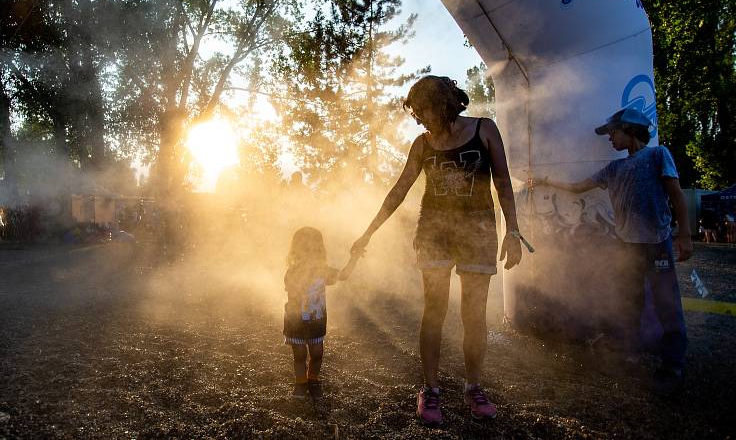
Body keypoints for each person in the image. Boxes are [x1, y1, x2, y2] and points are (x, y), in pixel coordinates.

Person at [350, 75, 523, 425]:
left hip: (478, 230)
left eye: (423, 110)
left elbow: (503, 182)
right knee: (434, 311)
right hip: (433, 232)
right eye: (415, 114)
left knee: (473, 315)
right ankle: (430, 390)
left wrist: (514, 231)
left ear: (442, 102)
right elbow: (399, 190)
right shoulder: (422, 144)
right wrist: (367, 233)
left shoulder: (484, 129)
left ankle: (473, 387)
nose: (419, 119)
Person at [534, 107, 692, 393]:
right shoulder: (614, 169)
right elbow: (578, 187)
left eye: (613, 133)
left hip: (657, 244)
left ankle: (673, 365)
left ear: (630, 130)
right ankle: (629, 354)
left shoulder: (658, 155)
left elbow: (676, 194)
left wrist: (685, 235)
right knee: (629, 303)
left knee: (667, 304)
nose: (610, 139)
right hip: (627, 246)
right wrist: (545, 181)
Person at [283, 226, 358, 400]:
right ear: (298, 251)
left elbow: (343, 275)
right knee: (299, 355)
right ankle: (300, 382)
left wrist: (354, 258)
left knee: (317, 353)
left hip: (316, 321)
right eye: (305, 249)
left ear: (318, 251)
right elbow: (290, 289)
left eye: (313, 249)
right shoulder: (292, 272)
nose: (309, 254)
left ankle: (313, 379)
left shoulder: (322, 270)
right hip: (296, 321)